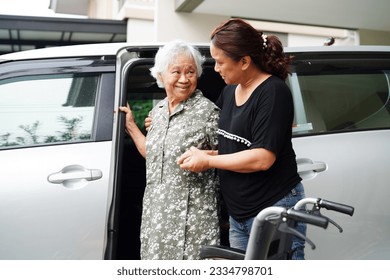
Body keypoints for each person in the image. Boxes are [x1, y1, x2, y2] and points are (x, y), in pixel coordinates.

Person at [177, 18, 307, 260]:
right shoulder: (229, 92)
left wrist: (208, 162)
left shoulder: (273, 92)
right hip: (240, 216)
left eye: (220, 62)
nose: (216, 69)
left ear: (245, 61)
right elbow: (235, 147)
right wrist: (207, 153)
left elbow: (262, 158)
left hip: (274, 208)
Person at [119, 40, 220, 260]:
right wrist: (131, 126)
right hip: (157, 217)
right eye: (176, 72)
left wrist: (209, 158)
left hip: (191, 222)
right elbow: (154, 156)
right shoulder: (158, 111)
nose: (184, 79)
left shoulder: (208, 113)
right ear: (161, 75)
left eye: (191, 72)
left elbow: (231, 157)